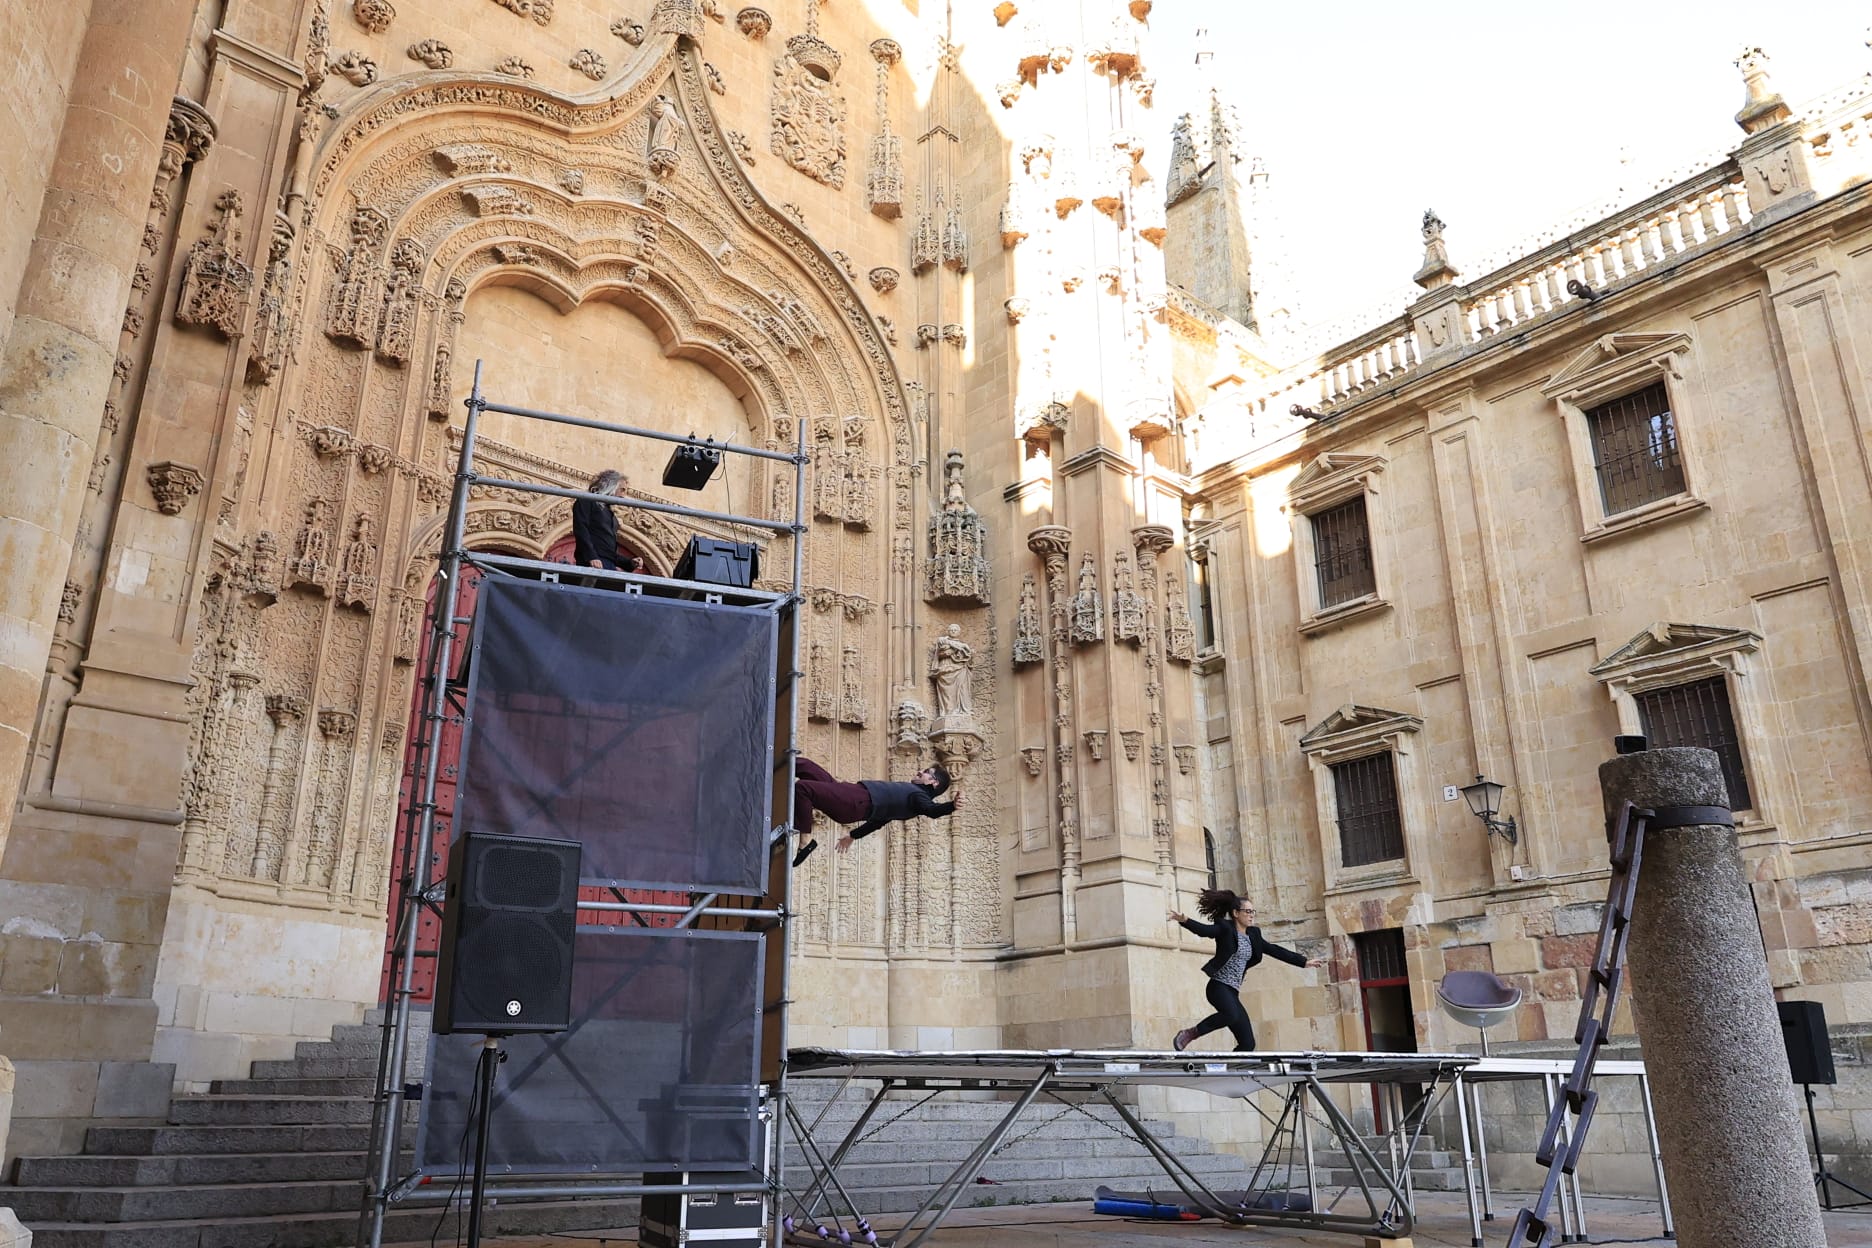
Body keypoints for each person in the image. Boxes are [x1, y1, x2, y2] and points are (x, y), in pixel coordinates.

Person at [1167, 889, 1325, 1052]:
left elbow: (1274, 949)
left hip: (1232, 991)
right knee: (1231, 1015)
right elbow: (1205, 931)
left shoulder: (1254, 935)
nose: (1251, 915)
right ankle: (1191, 1033)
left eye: (1253, 912)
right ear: (1236, 913)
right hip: (1218, 987)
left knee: (1248, 1043)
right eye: (1247, 911)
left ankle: (1232, 1073)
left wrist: (1304, 962)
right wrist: (1184, 920)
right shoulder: (1225, 928)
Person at [790, 757, 962, 866]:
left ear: (934, 783)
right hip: (852, 794)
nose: (920, 772)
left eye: (926, 772)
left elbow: (932, 810)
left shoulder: (920, 798)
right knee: (805, 765)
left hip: (853, 801)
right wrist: (852, 836)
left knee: (803, 788)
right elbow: (878, 822)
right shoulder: (910, 798)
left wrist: (951, 806)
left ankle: (805, 841)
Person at [572, 469, 643, 575]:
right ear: (610, 486)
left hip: (608, 565)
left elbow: (608, 551)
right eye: (622, 489)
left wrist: (629, 563)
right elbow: (581, 530)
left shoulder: (610, 515)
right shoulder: (587, 501)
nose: (623, 496)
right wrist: (591, 557)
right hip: (593, 563)